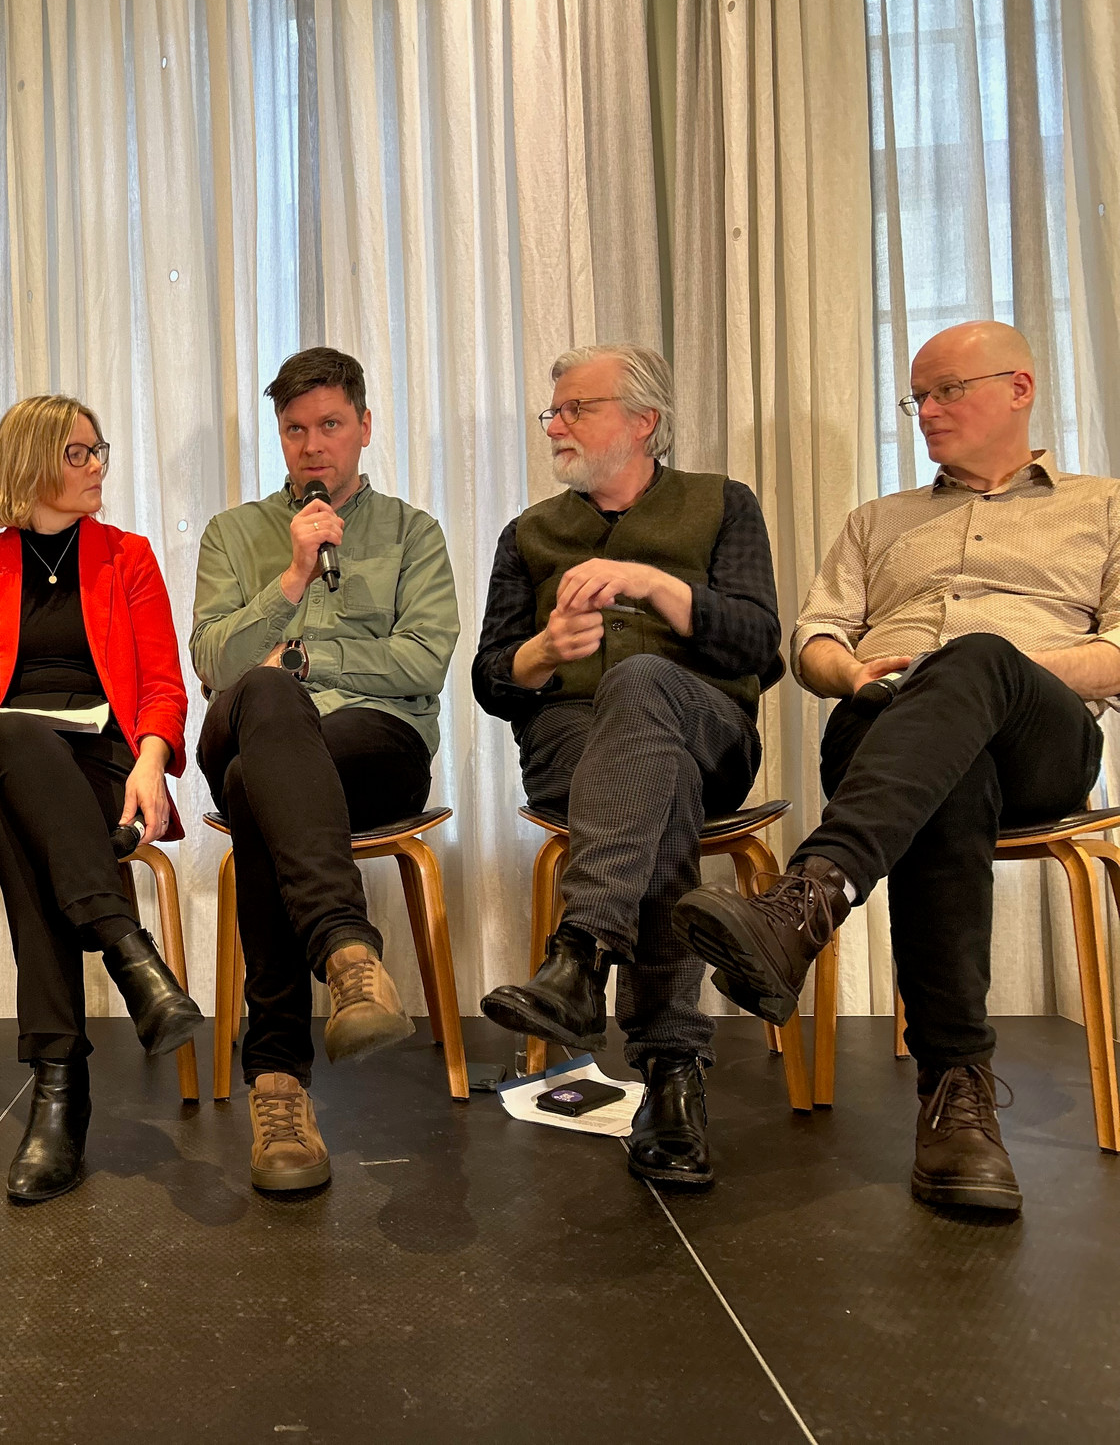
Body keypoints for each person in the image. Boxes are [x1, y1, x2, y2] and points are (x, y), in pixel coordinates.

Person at [674, 320, 1117, 1215]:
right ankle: (956, 1099)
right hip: (885, 728)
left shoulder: (1104, 506)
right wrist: (852, 672)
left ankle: (809, 899)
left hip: (1042, 736)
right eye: (918, 398)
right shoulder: (877, 520)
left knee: (977, 658)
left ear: (1020, 389)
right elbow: (814, 637)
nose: (928, 411)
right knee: (949, 776)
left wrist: (999, 670)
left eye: (948, 390)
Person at [472, 343, 782, 1190]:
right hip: (571, 739)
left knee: (646, 687)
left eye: (577, 408)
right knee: (657, 783)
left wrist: (653, 584)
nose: (556, 425)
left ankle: (581, 952)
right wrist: (541, 652)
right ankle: (672, 1074)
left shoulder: (722, 505)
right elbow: (491, 680)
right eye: (554, 411)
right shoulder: (528, 534)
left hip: (709, 725)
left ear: (645, 421)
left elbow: (762, 646)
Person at [0, 394, 202, 1203]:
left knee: (23, 835)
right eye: (78, 453)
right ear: (33, 463)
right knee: (16, 736)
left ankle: (60, 1090)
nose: (97, 464)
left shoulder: (128, 558)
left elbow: (161, 685)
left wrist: (152, 763)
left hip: (98, 765)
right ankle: (127, 949)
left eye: (98, 449)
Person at [191, 346, 460, 1194]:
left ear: (365, 427)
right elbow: (215, 663)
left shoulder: (413, 533)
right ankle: (346, 951)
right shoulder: (235, 534)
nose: (313, 446)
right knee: (267, 699)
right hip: (253, 724)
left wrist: (305, 655)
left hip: (377, 746)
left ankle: (278, 1082)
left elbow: (423, 661)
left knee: (258, 784)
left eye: (331, 425)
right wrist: (292, 576)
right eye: (295, 429)